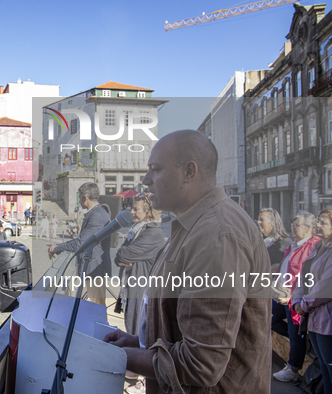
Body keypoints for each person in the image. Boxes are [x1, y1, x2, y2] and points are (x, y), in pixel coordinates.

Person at [103, 130, 271, 393]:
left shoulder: (217, 235)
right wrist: (137, 343)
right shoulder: (191, 226)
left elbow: (201, 363)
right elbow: (183, 328)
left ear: (189, 172)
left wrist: (121, 356)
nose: (146, 180)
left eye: (155, 169)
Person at [271, 212, 320, 382]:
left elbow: (305, 275)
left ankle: (293, 368)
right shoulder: (293, 245)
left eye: (296, 225)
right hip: (281, 294)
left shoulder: (312, 246)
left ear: (308, 228)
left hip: (293, 297)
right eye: (292, 224)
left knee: (295, 331)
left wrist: (294, 297)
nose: (293, 227)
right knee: (270, 319)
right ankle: (301, 343)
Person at [48, 183, 111, 306]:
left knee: (97, 307)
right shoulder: (96, 213)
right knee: (78, 301)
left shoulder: (97, 215)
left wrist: (58, 247)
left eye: (79, 196)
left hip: (94, 269)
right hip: (90, 267)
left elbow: (80, 243)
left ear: (85, 197)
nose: (79, 200)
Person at [292, 209, 332, 393]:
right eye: (318, 221)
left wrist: (304, 304)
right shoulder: (317, 248)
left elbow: (325, 286)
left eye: (323, 223)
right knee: (324, 366)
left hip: (326, 320)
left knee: (330, 367)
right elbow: (303, 276)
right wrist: (297, 299)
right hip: (314, 318)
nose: (318, 225)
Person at [114, 193, 164, 336]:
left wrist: (122, 254)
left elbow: (123, 254)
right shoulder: (136, 230)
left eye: (136, 209)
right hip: (131, 289)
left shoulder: (154, 233)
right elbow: (119, 257)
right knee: (131, 328)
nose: (131, 212)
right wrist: (122, 255)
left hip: (141, 292)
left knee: (137, 332)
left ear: (147, 212)